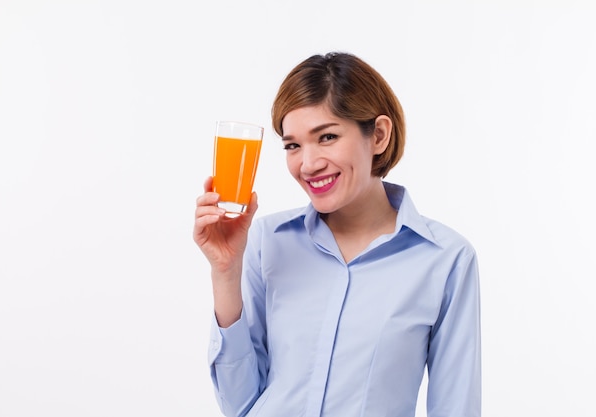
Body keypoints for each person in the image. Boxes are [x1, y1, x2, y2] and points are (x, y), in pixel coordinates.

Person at [193, 52, 481, 417]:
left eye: (327, 137)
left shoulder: (446, 260)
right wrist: (225, 273)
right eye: (293, 145)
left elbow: (456, 407)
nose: (308, 164)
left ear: (378, 135)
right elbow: (240, 405)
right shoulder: (266, 241)